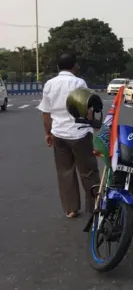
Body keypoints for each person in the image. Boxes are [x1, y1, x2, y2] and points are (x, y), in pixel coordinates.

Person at [37, 53, 100, 218]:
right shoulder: (78, 82)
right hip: (79, 132)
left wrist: (47, 133)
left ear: (58, 67)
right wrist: (93, 124)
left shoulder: (49, 84)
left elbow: (46, 112)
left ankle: (71, 209)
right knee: (88, 171)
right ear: (74, 66)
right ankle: (95, 205)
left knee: (65, 171)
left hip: (59, 133)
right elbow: (88, 108)